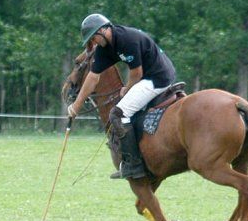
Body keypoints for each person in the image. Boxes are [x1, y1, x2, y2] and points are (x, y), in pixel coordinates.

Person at [67, 13, 176, 180]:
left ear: (103, 30)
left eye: (93, 37)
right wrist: (76, 105)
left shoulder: (126, 39)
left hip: (157, 77)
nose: (93, 42)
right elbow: (92, 77)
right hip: (146, 77)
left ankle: (133, 164)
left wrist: (127, 88)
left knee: (118, 113)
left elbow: (136, 73)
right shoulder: (104, 49)